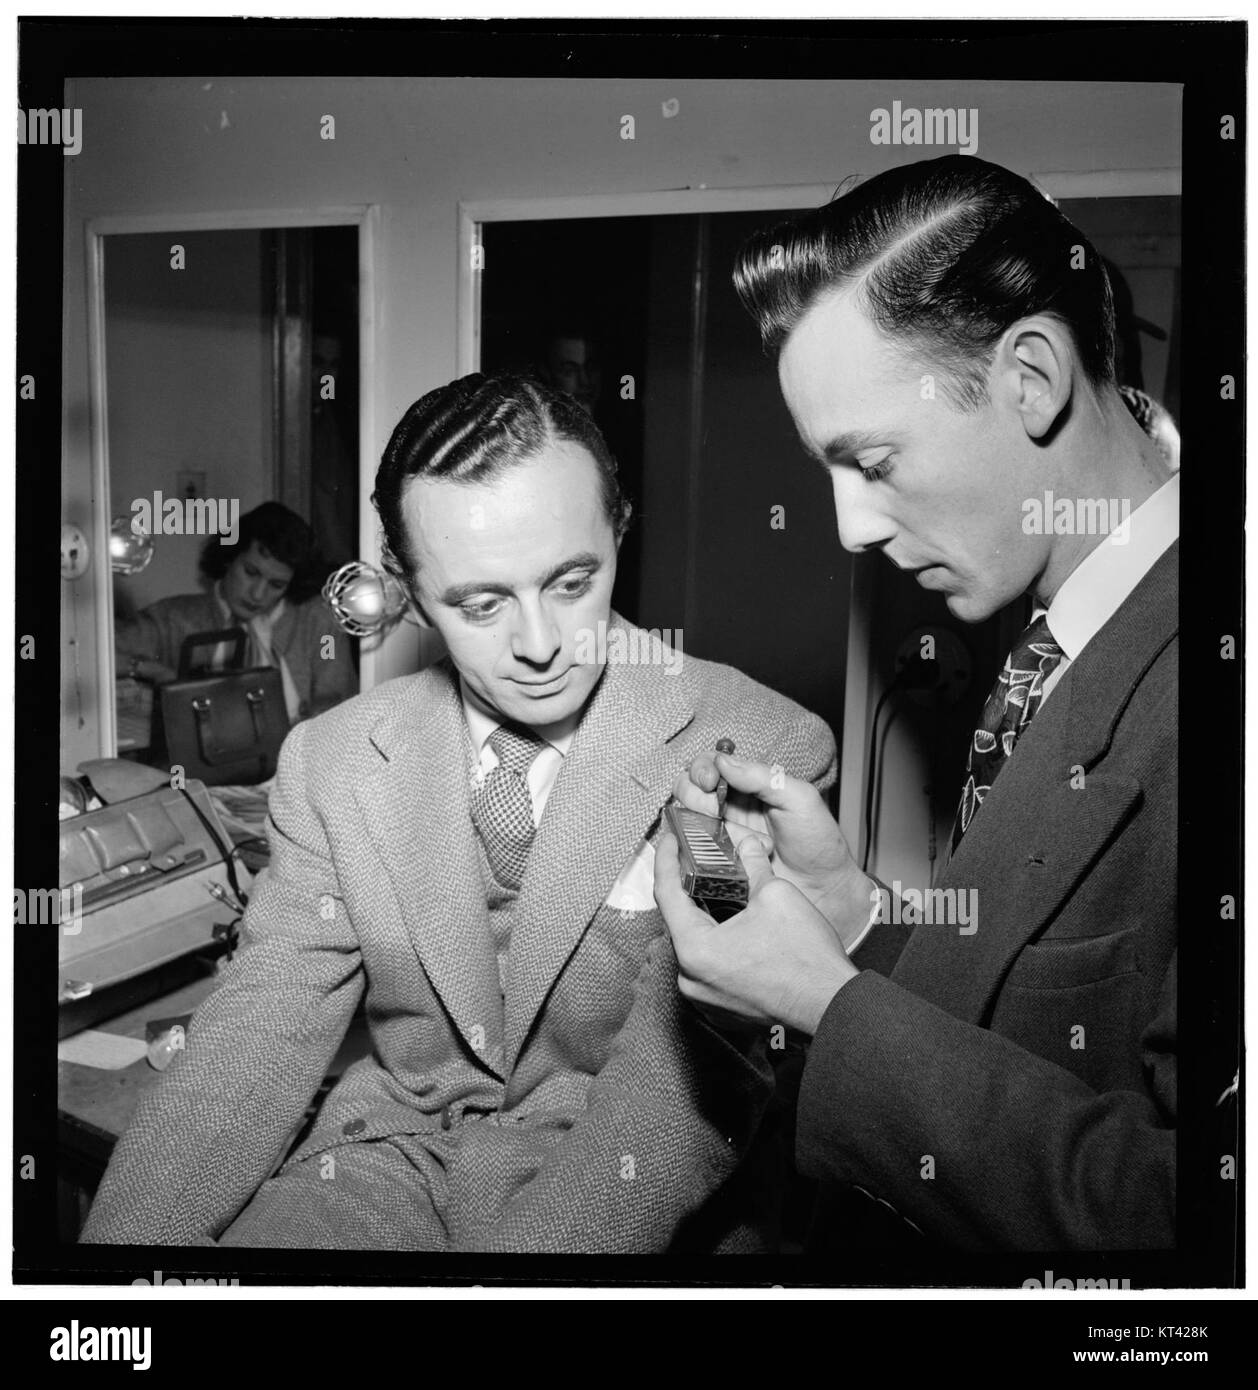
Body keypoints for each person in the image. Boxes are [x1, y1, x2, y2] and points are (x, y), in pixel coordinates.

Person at [81, 371, 836, 1252]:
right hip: (385, 1161)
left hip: (627, 1186)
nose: (542, 644)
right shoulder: (334, 763)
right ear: (403, 586)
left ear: (619, 528)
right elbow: (258, 1033)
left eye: (571, 581)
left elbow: (683, 1088)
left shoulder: (751, 745)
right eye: (480, 604)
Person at [654, 155, 1179, 1252]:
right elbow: (1023, 1003)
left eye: (873, 460)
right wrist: (851, 916)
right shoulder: (1057, 616)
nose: (849, 528)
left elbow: (1186, 1216)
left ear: (1029, 379)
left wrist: (823, 1006)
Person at [115, 501, 356, 725]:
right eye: (251, 572)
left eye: (276, 585)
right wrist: (153, 671)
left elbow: (337, 697)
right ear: (229, 558)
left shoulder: (319, 624)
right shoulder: (174, 618)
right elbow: (98, 655)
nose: (258, 594)